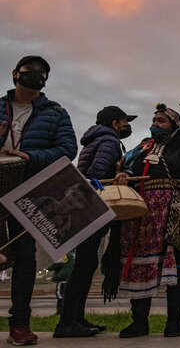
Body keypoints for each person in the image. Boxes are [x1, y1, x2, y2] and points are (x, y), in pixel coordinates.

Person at [111, 102, 180, 338]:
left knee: (176, 265)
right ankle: (139, 323)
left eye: (161, 121)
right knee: (140, 264)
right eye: (154, 120)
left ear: (174, 125)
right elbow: (127, 166)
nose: (155, 124)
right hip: (143, 213)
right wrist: (123, 174)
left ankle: (174, 322)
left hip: (174, 210)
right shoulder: (143, 147)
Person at [0, 55, 77, 346]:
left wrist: (31, 157)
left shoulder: (56, 113)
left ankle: (19, 324)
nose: (36, 76)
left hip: (29, 189)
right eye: (29, 71)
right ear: (15, 74)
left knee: (24, 257)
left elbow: (68, 149)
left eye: (42, 73)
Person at [53, 106, 136, 338]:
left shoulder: (94, 139)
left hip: (84, 205)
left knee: (86, 264)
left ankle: (76, 318)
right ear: (114, 123)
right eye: (123, 121)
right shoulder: (109, 141)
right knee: (84, 266)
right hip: (94, 206)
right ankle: (67, 322)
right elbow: (98, 174)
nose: (126, 126)